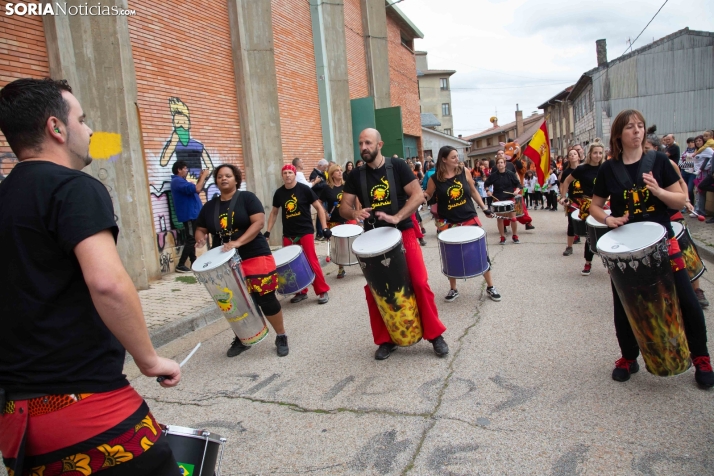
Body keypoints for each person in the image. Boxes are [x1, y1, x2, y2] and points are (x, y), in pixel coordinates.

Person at [0, 78, 182, 475]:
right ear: (56, 128)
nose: (91, 131)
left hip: (19, 422)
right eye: (82, 120)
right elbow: (108, 284)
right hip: (86, 410)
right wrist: (149, 360)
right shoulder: (73, 188)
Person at [589, 109, 713, 388]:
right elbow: (595, 206)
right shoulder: (609, 168)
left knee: (687, 300)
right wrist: (608, 219)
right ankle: (628, 357)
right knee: (625, 304)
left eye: (640, 126)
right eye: (630, 127)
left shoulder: (658, 161)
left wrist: (658, 192)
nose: (637, 131)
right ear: (619, 134)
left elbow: (681, 201)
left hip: (663, 242)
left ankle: (701, 357)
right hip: (625, 247)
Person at [341, 128, 449, 360]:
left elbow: (418, 195)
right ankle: (386, 339)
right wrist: (355, 211)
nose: (363, 148)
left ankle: (435, 335)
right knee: (376, 291)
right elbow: (343, 207)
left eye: (368, 143)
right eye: (360, 143)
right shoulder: (355, 175)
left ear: (379, 144)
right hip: (373, 239)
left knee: (419, 283)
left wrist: (397, 217)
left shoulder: (397, 166)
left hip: (403, 233)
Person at [194, 164, 289, 358]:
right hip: (225, 261)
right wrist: (200, 237)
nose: (224, 179)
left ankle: (281, 335)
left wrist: (238, 242)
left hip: (255, 254)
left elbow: (258, 222)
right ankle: (244, 337)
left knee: (265, 298)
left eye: (228, 176)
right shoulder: (210, 206)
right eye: (220, 176)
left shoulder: (247, 198)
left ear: (236, 179)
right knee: (236, 301)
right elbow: (200, 227)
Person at [424, 146, 501, 302]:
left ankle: (490, 286)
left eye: (457, 156)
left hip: (468, 217)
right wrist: (418, 197)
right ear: (443, 159)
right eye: (453, 157)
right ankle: (453, 289)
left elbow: (473, 191)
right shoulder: (434, 179)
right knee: (451, 257)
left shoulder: (464, 171)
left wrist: (484, 208)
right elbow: (428, 194)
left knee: (480, 253)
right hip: (448, 222)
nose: (457, 159)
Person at [266, 164, 331, 304]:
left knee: (311, 261)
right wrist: (267, 232)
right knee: (292, 265)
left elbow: (319, 208)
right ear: (282, 176)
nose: (287, 175)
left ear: (295, 174)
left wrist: (324, 227)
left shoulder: (304, 189)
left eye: (290, 172)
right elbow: (274, 213)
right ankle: (301, 291)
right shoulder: (279, 193)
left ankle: (322, 291)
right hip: (288, 234)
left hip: (305, 231)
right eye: (285, 173)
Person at [559, 139, 605, 274]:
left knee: (608, 233)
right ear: (590, 154)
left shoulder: (605, 168)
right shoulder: (582, 169)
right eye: (595, 153)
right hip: (588, 204)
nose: (598, 156)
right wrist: (563, 197)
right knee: (591, 234)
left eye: (600, 153)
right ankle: (588, 263)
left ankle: (610, 263)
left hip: (604, 204)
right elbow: (566, 182)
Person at [320, 163, 358, 279]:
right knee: (339, 246)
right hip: (335, 220)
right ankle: (341, 268)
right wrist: (325, 213)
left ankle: (362, 263)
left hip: (348, 218)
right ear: (332, 174)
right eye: (337, 171)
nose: (340, 172)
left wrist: (357, 212)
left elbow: (356, 199)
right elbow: (319, 203)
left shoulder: (347, 186)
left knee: (355, 243)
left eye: (341, 170)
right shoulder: (327, 188)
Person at [171, 160, 210, 272]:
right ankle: (181, 264)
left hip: (194, 214)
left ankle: (194, 262)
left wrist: (201, 177)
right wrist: (204, 176)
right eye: (185, 168)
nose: (187, 171)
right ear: (179, 169)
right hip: (189, 215)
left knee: (192, 239)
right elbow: (197, 188)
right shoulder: (177, 181)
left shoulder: (182, 181)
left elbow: (195, 190)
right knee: (191, 239)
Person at [484, 156, 522, 244]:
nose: (500, 164)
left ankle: (515, 235)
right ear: (496, 165)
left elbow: (518, 184)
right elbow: (486, 184)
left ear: (505, 164)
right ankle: (502, 237)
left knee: (513, 218)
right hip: (498, 199)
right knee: (500, 219)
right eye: (498, 163)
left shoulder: (510, 174)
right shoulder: (493, 176)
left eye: (502, 162)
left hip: (509, 198)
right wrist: (487, 191)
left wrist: (516, 190)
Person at [558, 149, 582, 254]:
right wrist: (563, 197)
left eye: (575, 154)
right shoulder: (566, 172)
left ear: (579, 157)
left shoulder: (584, 169)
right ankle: (569, 247)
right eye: (570, 154)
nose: (572, 156)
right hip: (572, 199)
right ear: (568, 158)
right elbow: (563, 185)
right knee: (571, 223)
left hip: (585, 199)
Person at [679, 137, 697, 206]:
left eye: (692, 142)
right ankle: (684, 204)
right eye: (689, 142)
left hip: (692, 173)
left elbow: (695, 164)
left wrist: (686, 164)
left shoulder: (697, 152)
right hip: (684, 172)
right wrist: (689, 164)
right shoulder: (684, 152)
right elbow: (680, 164)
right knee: (683, 189)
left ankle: (691, 204)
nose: (690, 144)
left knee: (689, 190)